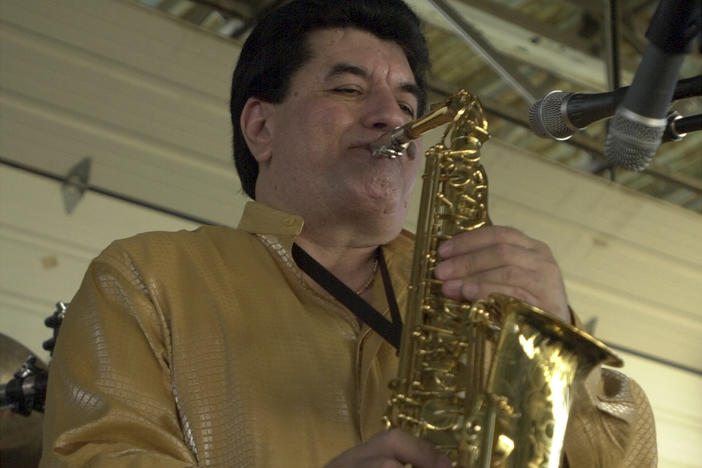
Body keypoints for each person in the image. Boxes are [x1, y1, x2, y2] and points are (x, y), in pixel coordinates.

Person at [40, 1, 657, 467]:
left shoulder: (482, 297)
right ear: (261, 128)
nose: (392, 117)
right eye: (349, 89)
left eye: (409, 106)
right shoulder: (145, 277)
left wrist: (560, 340)